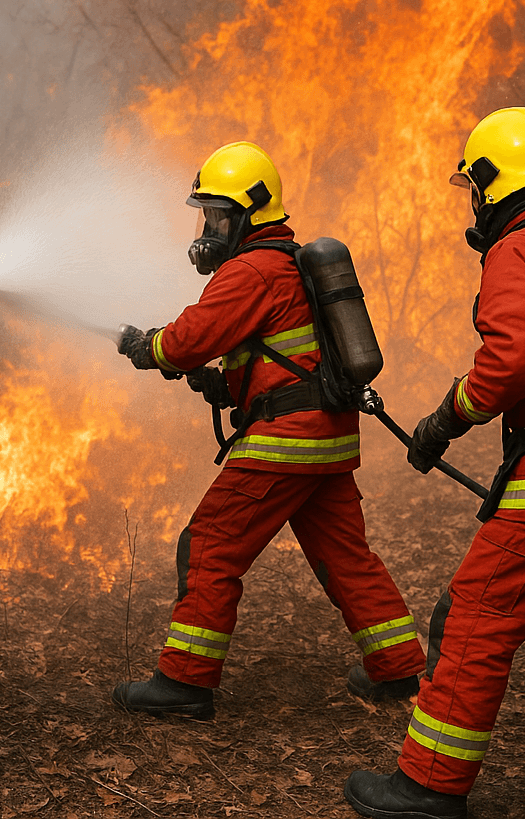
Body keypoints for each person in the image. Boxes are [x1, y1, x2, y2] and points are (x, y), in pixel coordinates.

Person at [344, 107, 525, 819]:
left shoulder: (522, 248)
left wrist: (445, 417)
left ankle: (428, 784)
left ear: (491, 183)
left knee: (475, 619)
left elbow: (509, 363)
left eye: (473, 188)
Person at [112, 140, 426, 720]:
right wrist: (224, 385)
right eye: (205, 213)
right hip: (326, 438)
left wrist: (144, 346)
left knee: (210, 545)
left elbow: (184, 342)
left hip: (286, 441)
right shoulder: (290, 263)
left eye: (216, 214)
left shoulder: (250, 270)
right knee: (347, 555)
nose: (207, 226)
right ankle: (398, 664)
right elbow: (279, 355)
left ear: (247, 215)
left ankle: (185, 679)